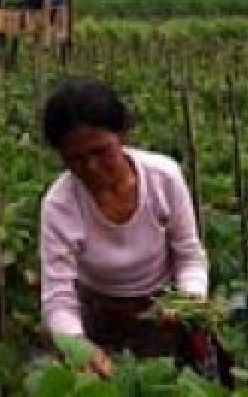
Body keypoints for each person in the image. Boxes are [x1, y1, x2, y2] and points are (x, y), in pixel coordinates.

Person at [39, 77, 224, 380]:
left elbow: (189, 256)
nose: (91, 167)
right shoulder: (60, 206)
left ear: (123, 135)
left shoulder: (164, 177)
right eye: (75, 159)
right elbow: (58, 297)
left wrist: (189, 300)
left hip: (166, 310)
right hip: (99, 317)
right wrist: (79, 347)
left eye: (100, 152)